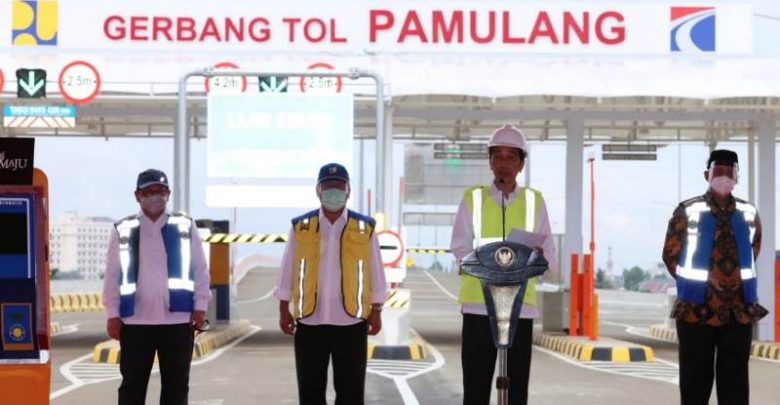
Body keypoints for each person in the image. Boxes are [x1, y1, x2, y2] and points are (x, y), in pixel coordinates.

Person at [450, 125, 557, 405]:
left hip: (520, 308)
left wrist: (535, 256)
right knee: (475, 388)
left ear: (521, 164)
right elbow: (460, 248)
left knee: (516, 391)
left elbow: (550, 256)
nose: (504, 164)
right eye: (498, 156)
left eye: (511, 157)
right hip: (478, 306)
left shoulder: (535, 201)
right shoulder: (472, 199)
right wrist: (487, 263)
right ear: (490, 161)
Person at [274, 162, 387, 405]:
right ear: (318, 190)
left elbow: (375, 270)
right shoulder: (301, 227)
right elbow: (288, 267)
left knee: (351, 392)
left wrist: (376, 310)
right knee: (310, 392)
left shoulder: (364, 227)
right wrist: (284, 308)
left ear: (348, 191)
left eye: (338, 186)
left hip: (352, 322)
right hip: (310, 321)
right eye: (328, 186)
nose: (333, 191)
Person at [662, 149, 767, 405]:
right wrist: (698, 284)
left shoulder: (749, 212)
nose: (723, 177)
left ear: (737, 177)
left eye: (729, 172)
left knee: (735, 385)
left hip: (738, 311)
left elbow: (754, 250)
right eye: (718, 172)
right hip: (695, 310)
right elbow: (670, 254)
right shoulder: (687, 211)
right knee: (694, 384)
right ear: (706, 174)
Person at [103, 168, 211, 405]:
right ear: (137, 195)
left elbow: (200, 269)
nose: (155, 197)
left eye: (160, 191)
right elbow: (112, 275)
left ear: (168, 193)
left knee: (177, 385)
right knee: (132, 385)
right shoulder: (122, 229)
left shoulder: (185, 226)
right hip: (134, 322)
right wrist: (112, 314)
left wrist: (200, 306)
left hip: (178, 320)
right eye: (149, 192)